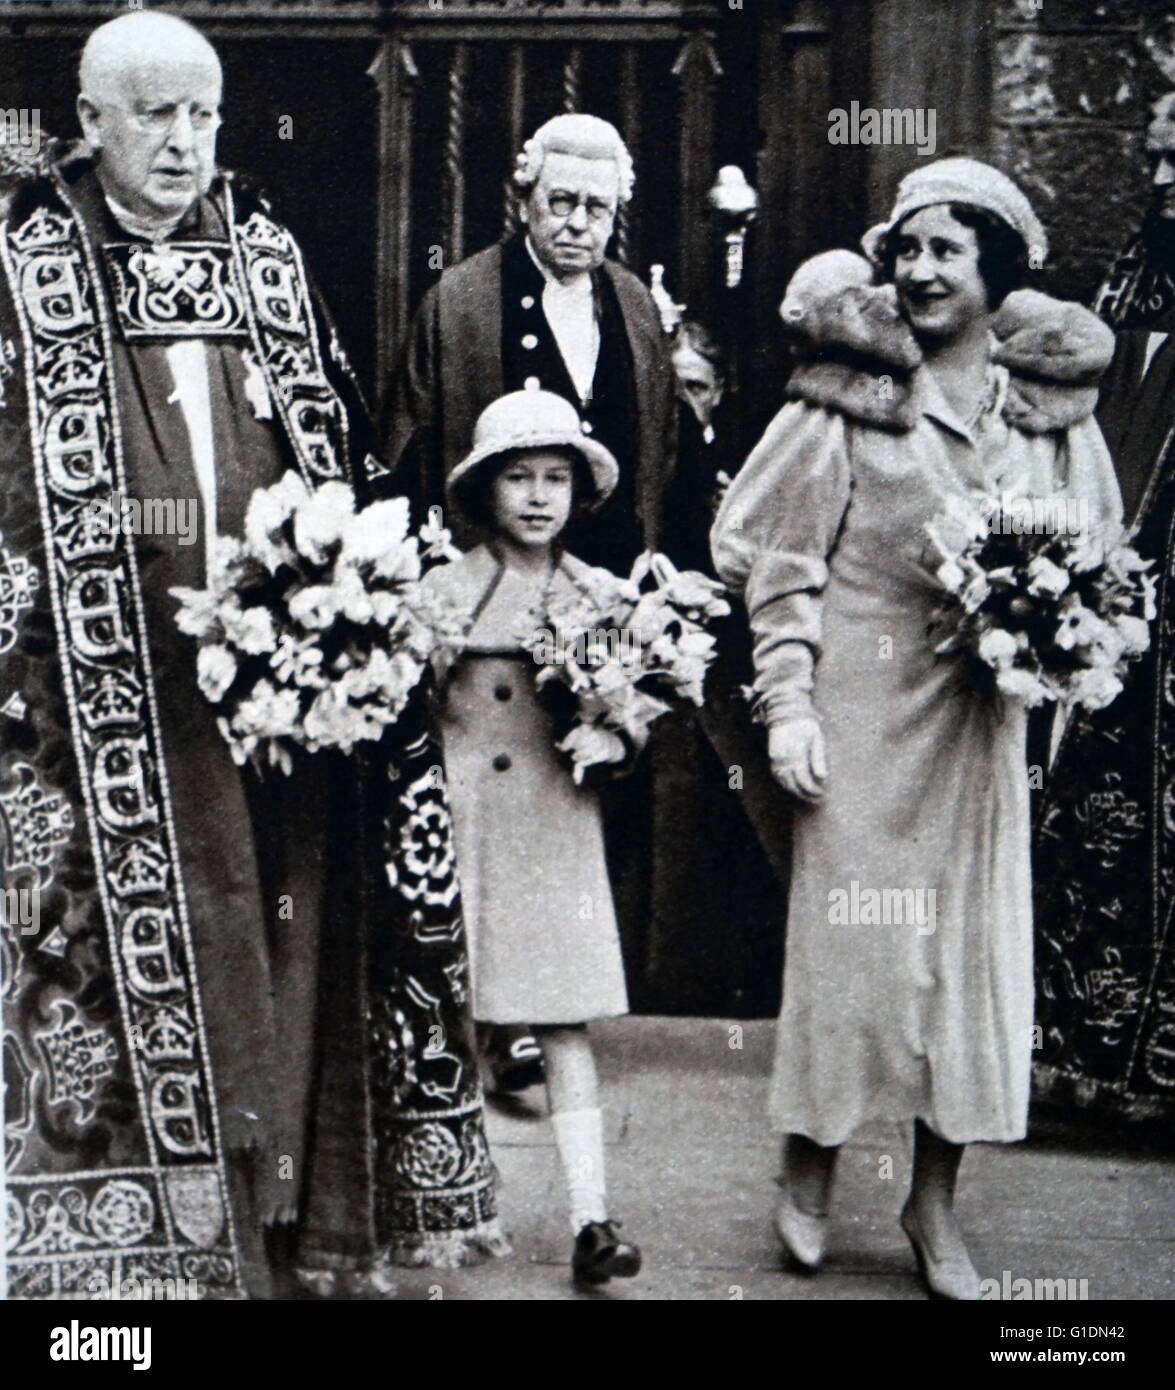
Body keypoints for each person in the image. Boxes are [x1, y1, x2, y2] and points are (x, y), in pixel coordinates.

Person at [0, 11, 499, 1300]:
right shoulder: (23, 265)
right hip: (103, 715)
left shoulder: (268, 258)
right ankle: (127, 1252)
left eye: (202, 114)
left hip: (280, 712)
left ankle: (286, 1229)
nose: (183, 142)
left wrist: (345, 614)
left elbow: (333, 458)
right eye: (154, 114)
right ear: (90, 120)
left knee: (289, 948)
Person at [711, 158, 1122, 1299]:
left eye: (949, 249)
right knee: (851, 954)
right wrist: (786, 701)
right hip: (858, 710)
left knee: (968, 965)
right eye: (906, 249)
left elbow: (1097, 560)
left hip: (980, 727)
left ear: (996, 270)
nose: (922, 269)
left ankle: (933, 1207)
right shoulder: (848, 392)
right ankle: (806, 1165)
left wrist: (1060, 643)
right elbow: (772, 561)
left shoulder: (1045, 412)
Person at [386, 112, 676, 1073]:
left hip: (595, 588)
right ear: (522, 201)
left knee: (590, 775)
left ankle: (567, 992)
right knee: (494, 798)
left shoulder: (632, 306)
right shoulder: (461, 299)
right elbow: (412, 439)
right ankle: (496, 1006)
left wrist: (648, 557)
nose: (578, 225)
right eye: (560, 203)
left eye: (598, 208)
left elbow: (656, 445)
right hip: (489, 592)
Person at [421, 388, 643, 1284]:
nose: (540, 496)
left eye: (557, 478)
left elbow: (638, 704)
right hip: (456, 824)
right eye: (519, 478)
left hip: (553, 833)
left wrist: (615, 731)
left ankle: (592, 1213)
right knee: (446, 1018)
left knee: (560, 1021)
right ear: (485, 491)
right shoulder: (441, 591)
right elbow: (400, 709)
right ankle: (445, 1205)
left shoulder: (597, 595)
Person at [1031, 94, 1175, 1129]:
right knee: (1100, 821)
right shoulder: (1124, 290)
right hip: (1127, 599)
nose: (1161, 181)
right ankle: (1092, 1059)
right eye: (1156, 158)